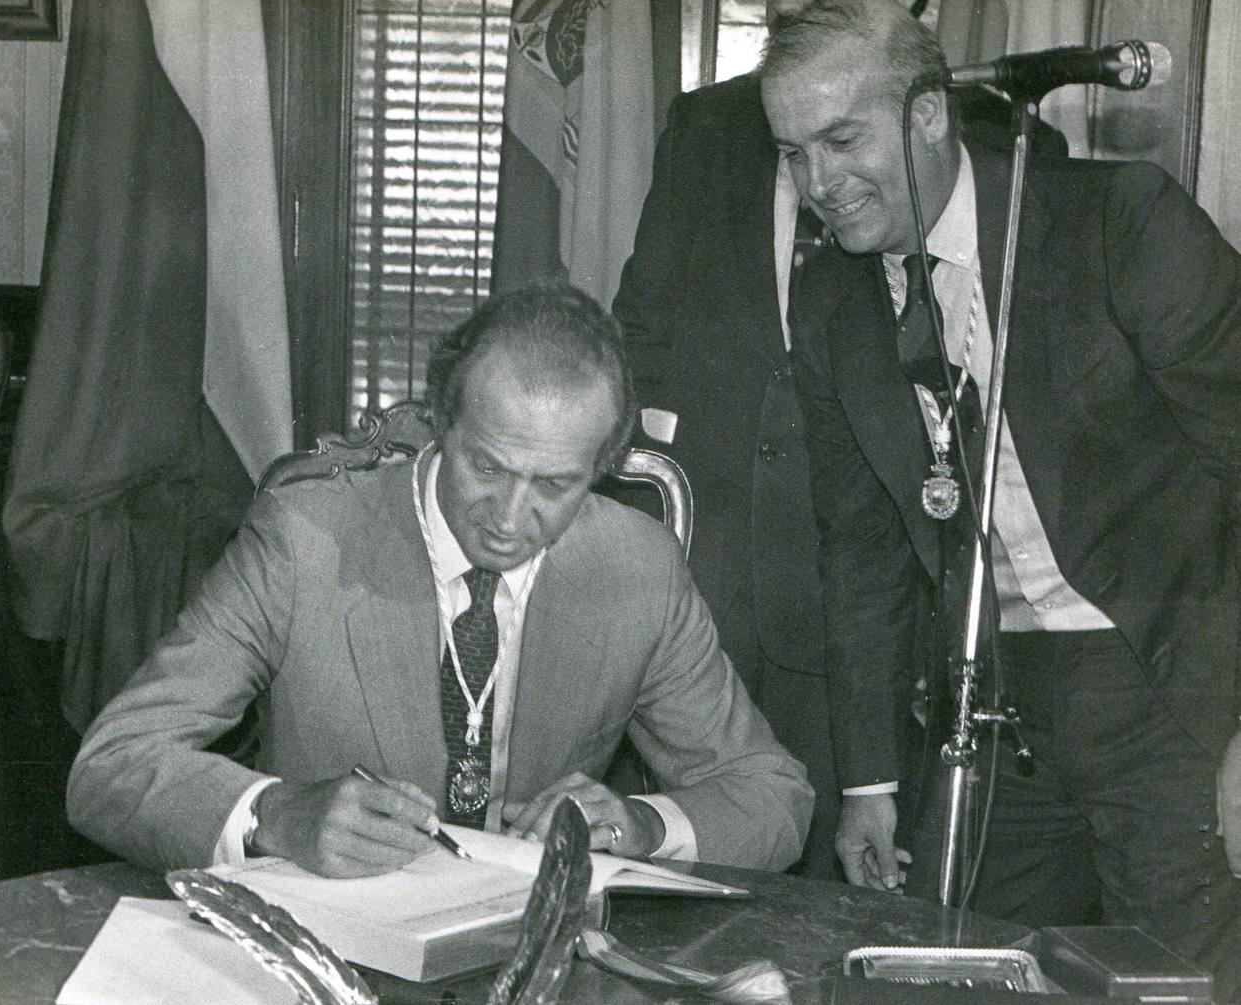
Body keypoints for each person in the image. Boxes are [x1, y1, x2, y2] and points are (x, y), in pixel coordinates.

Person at [767, 0, 1241, 995]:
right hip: (992, 706)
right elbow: (859, 552)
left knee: (1178, 984)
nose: (818, 184)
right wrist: (869, 782)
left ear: (930, 112)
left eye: (842, 140)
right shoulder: (831, 302)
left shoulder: (1121, 224)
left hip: (1170, 680)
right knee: (954, 976)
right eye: (792, 152)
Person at [68, 283, 813, 878]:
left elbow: (772, 795)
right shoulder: (304, 539)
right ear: (439, 424)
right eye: (486, 467)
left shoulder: (637, 566)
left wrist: (643, 824)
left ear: (603, 468)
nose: (510, 518)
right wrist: (274, 816)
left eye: (556, 484)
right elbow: (111, 765)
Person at [612, 1, 1066, 880]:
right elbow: (643, 332)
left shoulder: (993, 138)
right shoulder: (707, 124)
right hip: (719, 567)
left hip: (875, 592)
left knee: (851, 880)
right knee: (688, 867)